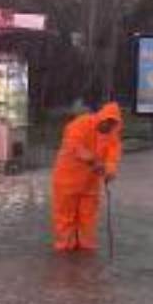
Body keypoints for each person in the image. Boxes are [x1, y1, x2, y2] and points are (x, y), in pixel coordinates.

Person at [51, 102, 123, 253]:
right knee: (65, 218)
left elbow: (113, 156)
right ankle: (65, 249)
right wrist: (93, 161)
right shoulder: (80, 123)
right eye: (108, 122)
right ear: (102, 118)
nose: (109, 127)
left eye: (112, 124)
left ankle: (86, 249)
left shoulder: (112, 135)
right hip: (67, 181)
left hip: (90, 184)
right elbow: (74, 145)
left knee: (88, 219)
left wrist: (109, 171)